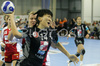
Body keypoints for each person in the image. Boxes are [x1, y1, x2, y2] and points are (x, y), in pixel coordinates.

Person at [8, 9, 79, 66]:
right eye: (48, 16)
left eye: (51, 17)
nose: (50, 19)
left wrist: (68, 55)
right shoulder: (30, 31)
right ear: (40, 18)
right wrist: (11, 16)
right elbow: (16, 34)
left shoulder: (50, 32)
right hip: (25, 63)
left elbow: (57, 44)